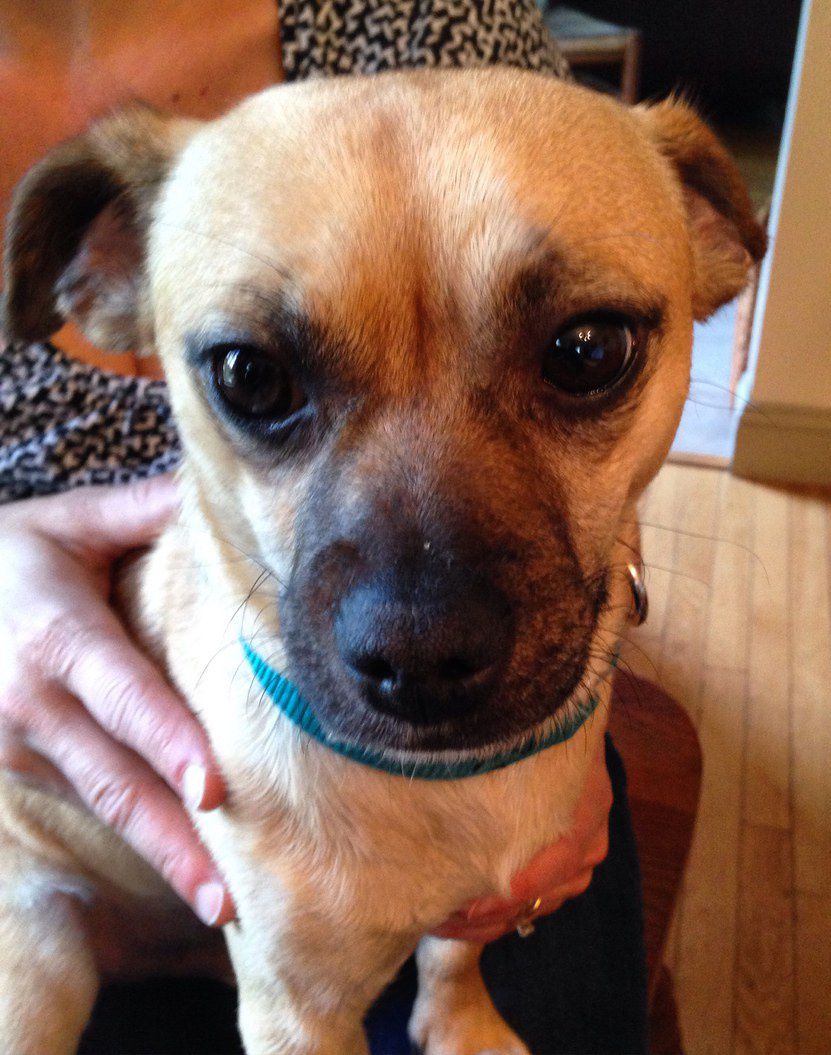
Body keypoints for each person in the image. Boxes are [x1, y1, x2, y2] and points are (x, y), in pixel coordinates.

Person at [0, 3, 648, 1051]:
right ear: (99, 267)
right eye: (258, 379)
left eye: (581, 356)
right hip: (56, 835)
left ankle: (452, 992)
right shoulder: (141, 204)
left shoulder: (439, 14)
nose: (421, 631)